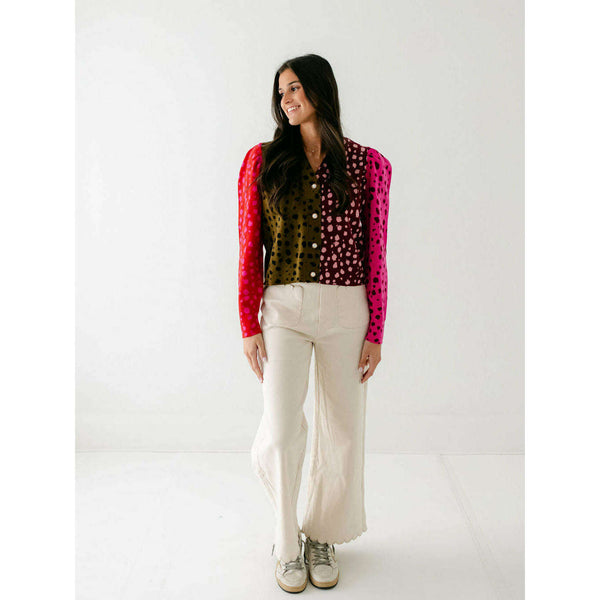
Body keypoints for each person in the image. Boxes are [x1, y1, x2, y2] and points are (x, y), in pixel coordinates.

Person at [238, 53, 392, 593]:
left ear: (321, 90)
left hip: (348, 308)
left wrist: (376, 329)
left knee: (342, 431)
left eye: (296, 88)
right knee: (282, 429)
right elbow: (249, 246)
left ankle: (321, 535)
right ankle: (286, 542)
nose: (287, 99)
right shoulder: (263, 161)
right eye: (281, 92)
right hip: (284, 307)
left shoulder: (368, 164)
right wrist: (248, 322)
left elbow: (377, 250)